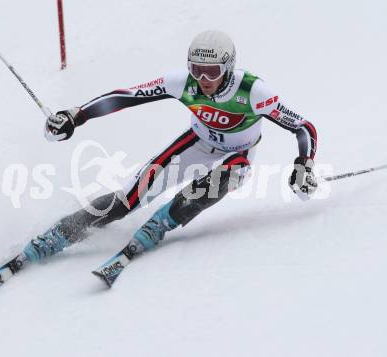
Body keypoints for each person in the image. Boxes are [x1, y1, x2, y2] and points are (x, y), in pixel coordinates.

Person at [23, 30, 318, 286]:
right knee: (129, 196)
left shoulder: (252, 91)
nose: (203, 79)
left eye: (212, 72)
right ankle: (62, 233)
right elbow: (127, 96)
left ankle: (162, 223)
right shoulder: (182, 82)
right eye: (196, 69)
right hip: (197, 143)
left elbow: (303, 127)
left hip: (238, 154)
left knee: (222, 178)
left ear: (228, 67)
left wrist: (304, 165)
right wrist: (78, 115)